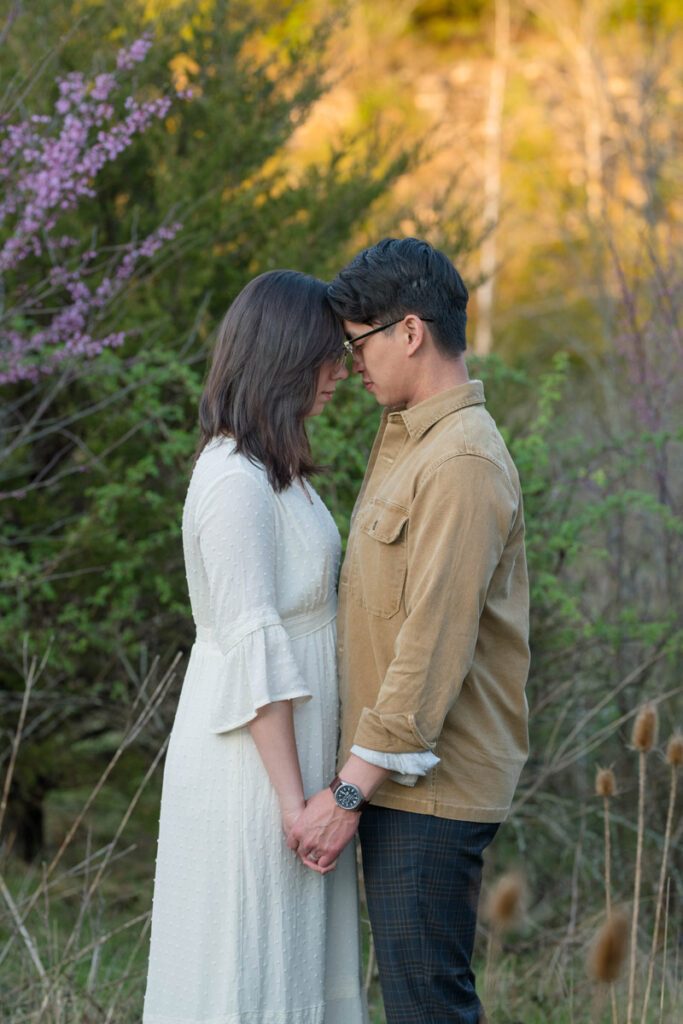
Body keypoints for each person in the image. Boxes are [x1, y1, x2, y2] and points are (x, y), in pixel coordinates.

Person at [287, 238, 530, 1023]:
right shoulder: (410, 441)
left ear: (411, 332)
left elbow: (430, 650)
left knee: (426, 1006)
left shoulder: (459, 462)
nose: (350, 361)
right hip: (400, 781)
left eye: (358, 342)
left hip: (428, 789)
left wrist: (350, 789)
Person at [143, 270, 368, 1024]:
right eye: (324, 354)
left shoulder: (279, 474)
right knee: (249, 964)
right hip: (254, 770)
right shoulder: (232, 480)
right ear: (280, 356)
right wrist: (292, 800)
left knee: (295, 964)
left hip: (296, 765)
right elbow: (251, 643)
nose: (339, 371)